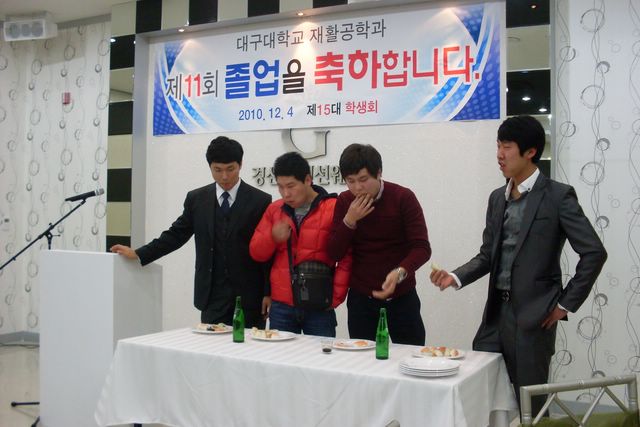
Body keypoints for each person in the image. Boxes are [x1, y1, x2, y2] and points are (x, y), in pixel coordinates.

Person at [430, 115, 607, 415]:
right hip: (495, 316)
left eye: (507, 147)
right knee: (482, 394)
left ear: (530, 152)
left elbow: (594, 252)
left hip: (534, 318)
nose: (499, 154)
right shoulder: (497, 198)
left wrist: (564, 304)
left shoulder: (558, 196)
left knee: (531, 404)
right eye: (498, 145)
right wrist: (455, 277)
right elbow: (488, 255)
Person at [110, 136, 272, 328]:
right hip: (211, 296)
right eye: (217, 170)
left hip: (249, 297)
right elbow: (176, 235)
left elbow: (267, 251)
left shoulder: (260, 200)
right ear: (210, 167)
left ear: (240, 164)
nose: (224, 176)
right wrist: (139, 253)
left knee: (248, 346)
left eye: (230, 169)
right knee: (210, 346)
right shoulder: (197, 199)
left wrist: (268, 292)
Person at [327, 143, 431, 345]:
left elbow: (421, 247)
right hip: (361, 298)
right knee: (362, 359)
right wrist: (349, 221)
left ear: (379, 173)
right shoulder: (345, 201)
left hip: (402, 295)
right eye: (350, 181)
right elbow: (334, 253)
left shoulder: (402, 197)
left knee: (411, 354)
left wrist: (400, 272)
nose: (357, 187)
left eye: (363, 179)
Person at [249, 152, 351, 337]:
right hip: (282, 305)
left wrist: (335, 297)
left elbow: (347, 256)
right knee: (281, 355)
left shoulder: (333, 207)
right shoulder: (275, 209)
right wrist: (272, 238)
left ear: (308, 180)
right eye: (280, 187)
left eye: (291, 186)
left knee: (321, 354)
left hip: (320, 304)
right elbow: (256, 253)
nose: (285, 193)